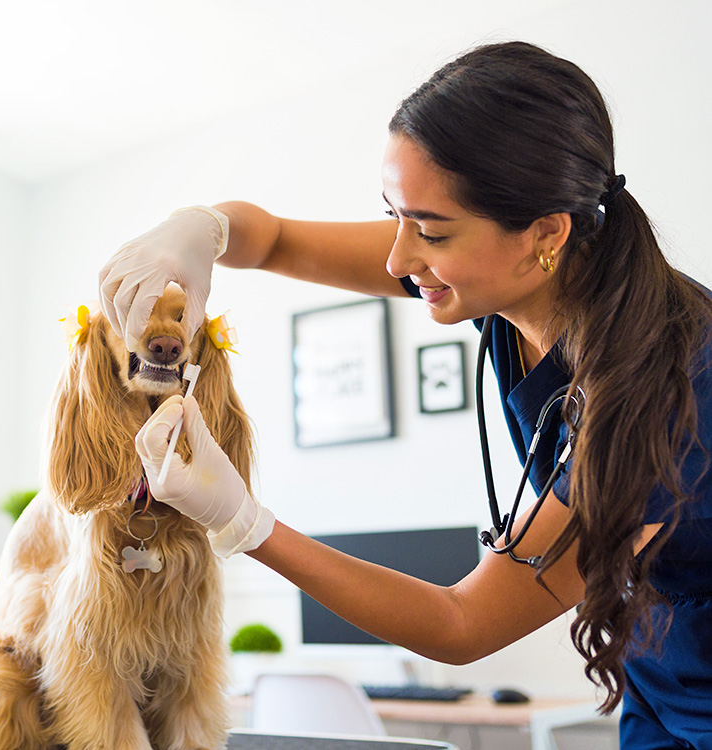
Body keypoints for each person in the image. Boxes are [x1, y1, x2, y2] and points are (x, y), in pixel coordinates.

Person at [100, 42, 712, 748]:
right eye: (396, 215)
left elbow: (464, 623)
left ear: (546, 233)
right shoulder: (506, 275)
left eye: (430, 230)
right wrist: (199, 231)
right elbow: (270, 241)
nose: (397, 258)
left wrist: (246, 523)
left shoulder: (675, 387)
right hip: (652, 681)